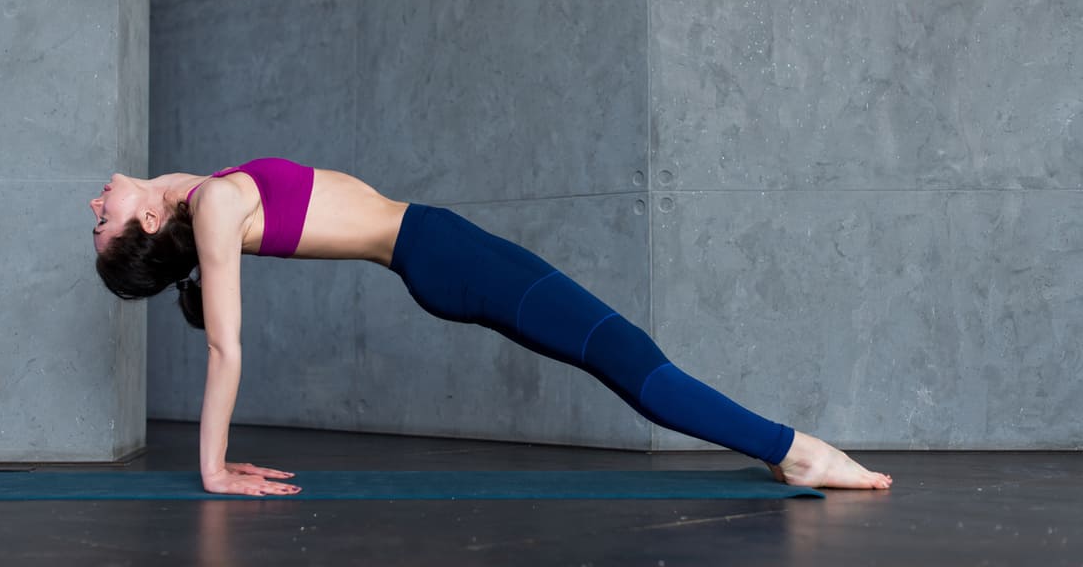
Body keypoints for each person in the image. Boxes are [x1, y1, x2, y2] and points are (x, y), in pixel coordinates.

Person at [91, 157, 892, 496]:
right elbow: (226, 343)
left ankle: (792, 452)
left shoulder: (185, 194)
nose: (97, 207)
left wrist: (142, 225)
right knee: (630, 363)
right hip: (442, 257)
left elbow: (149, 214)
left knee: (624, 357)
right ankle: (800, 453)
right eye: (104, 222)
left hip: (438, 252)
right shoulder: (215, 207)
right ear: (155, 218)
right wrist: (212, 466)